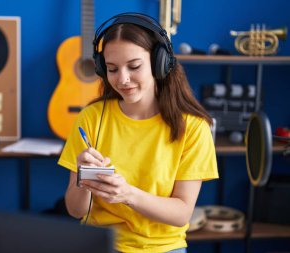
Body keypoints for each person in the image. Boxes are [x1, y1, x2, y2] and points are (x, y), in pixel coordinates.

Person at [58, 12, 219, 253]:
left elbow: (181, 214)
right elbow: (75, 210)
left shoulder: (194, 128)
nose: (122, 79)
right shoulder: (90, 118)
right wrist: (84, 180)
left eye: (134, 66)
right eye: (111, 69)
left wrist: (127, 194)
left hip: (162, 248)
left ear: (159, 63)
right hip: (99, 244)